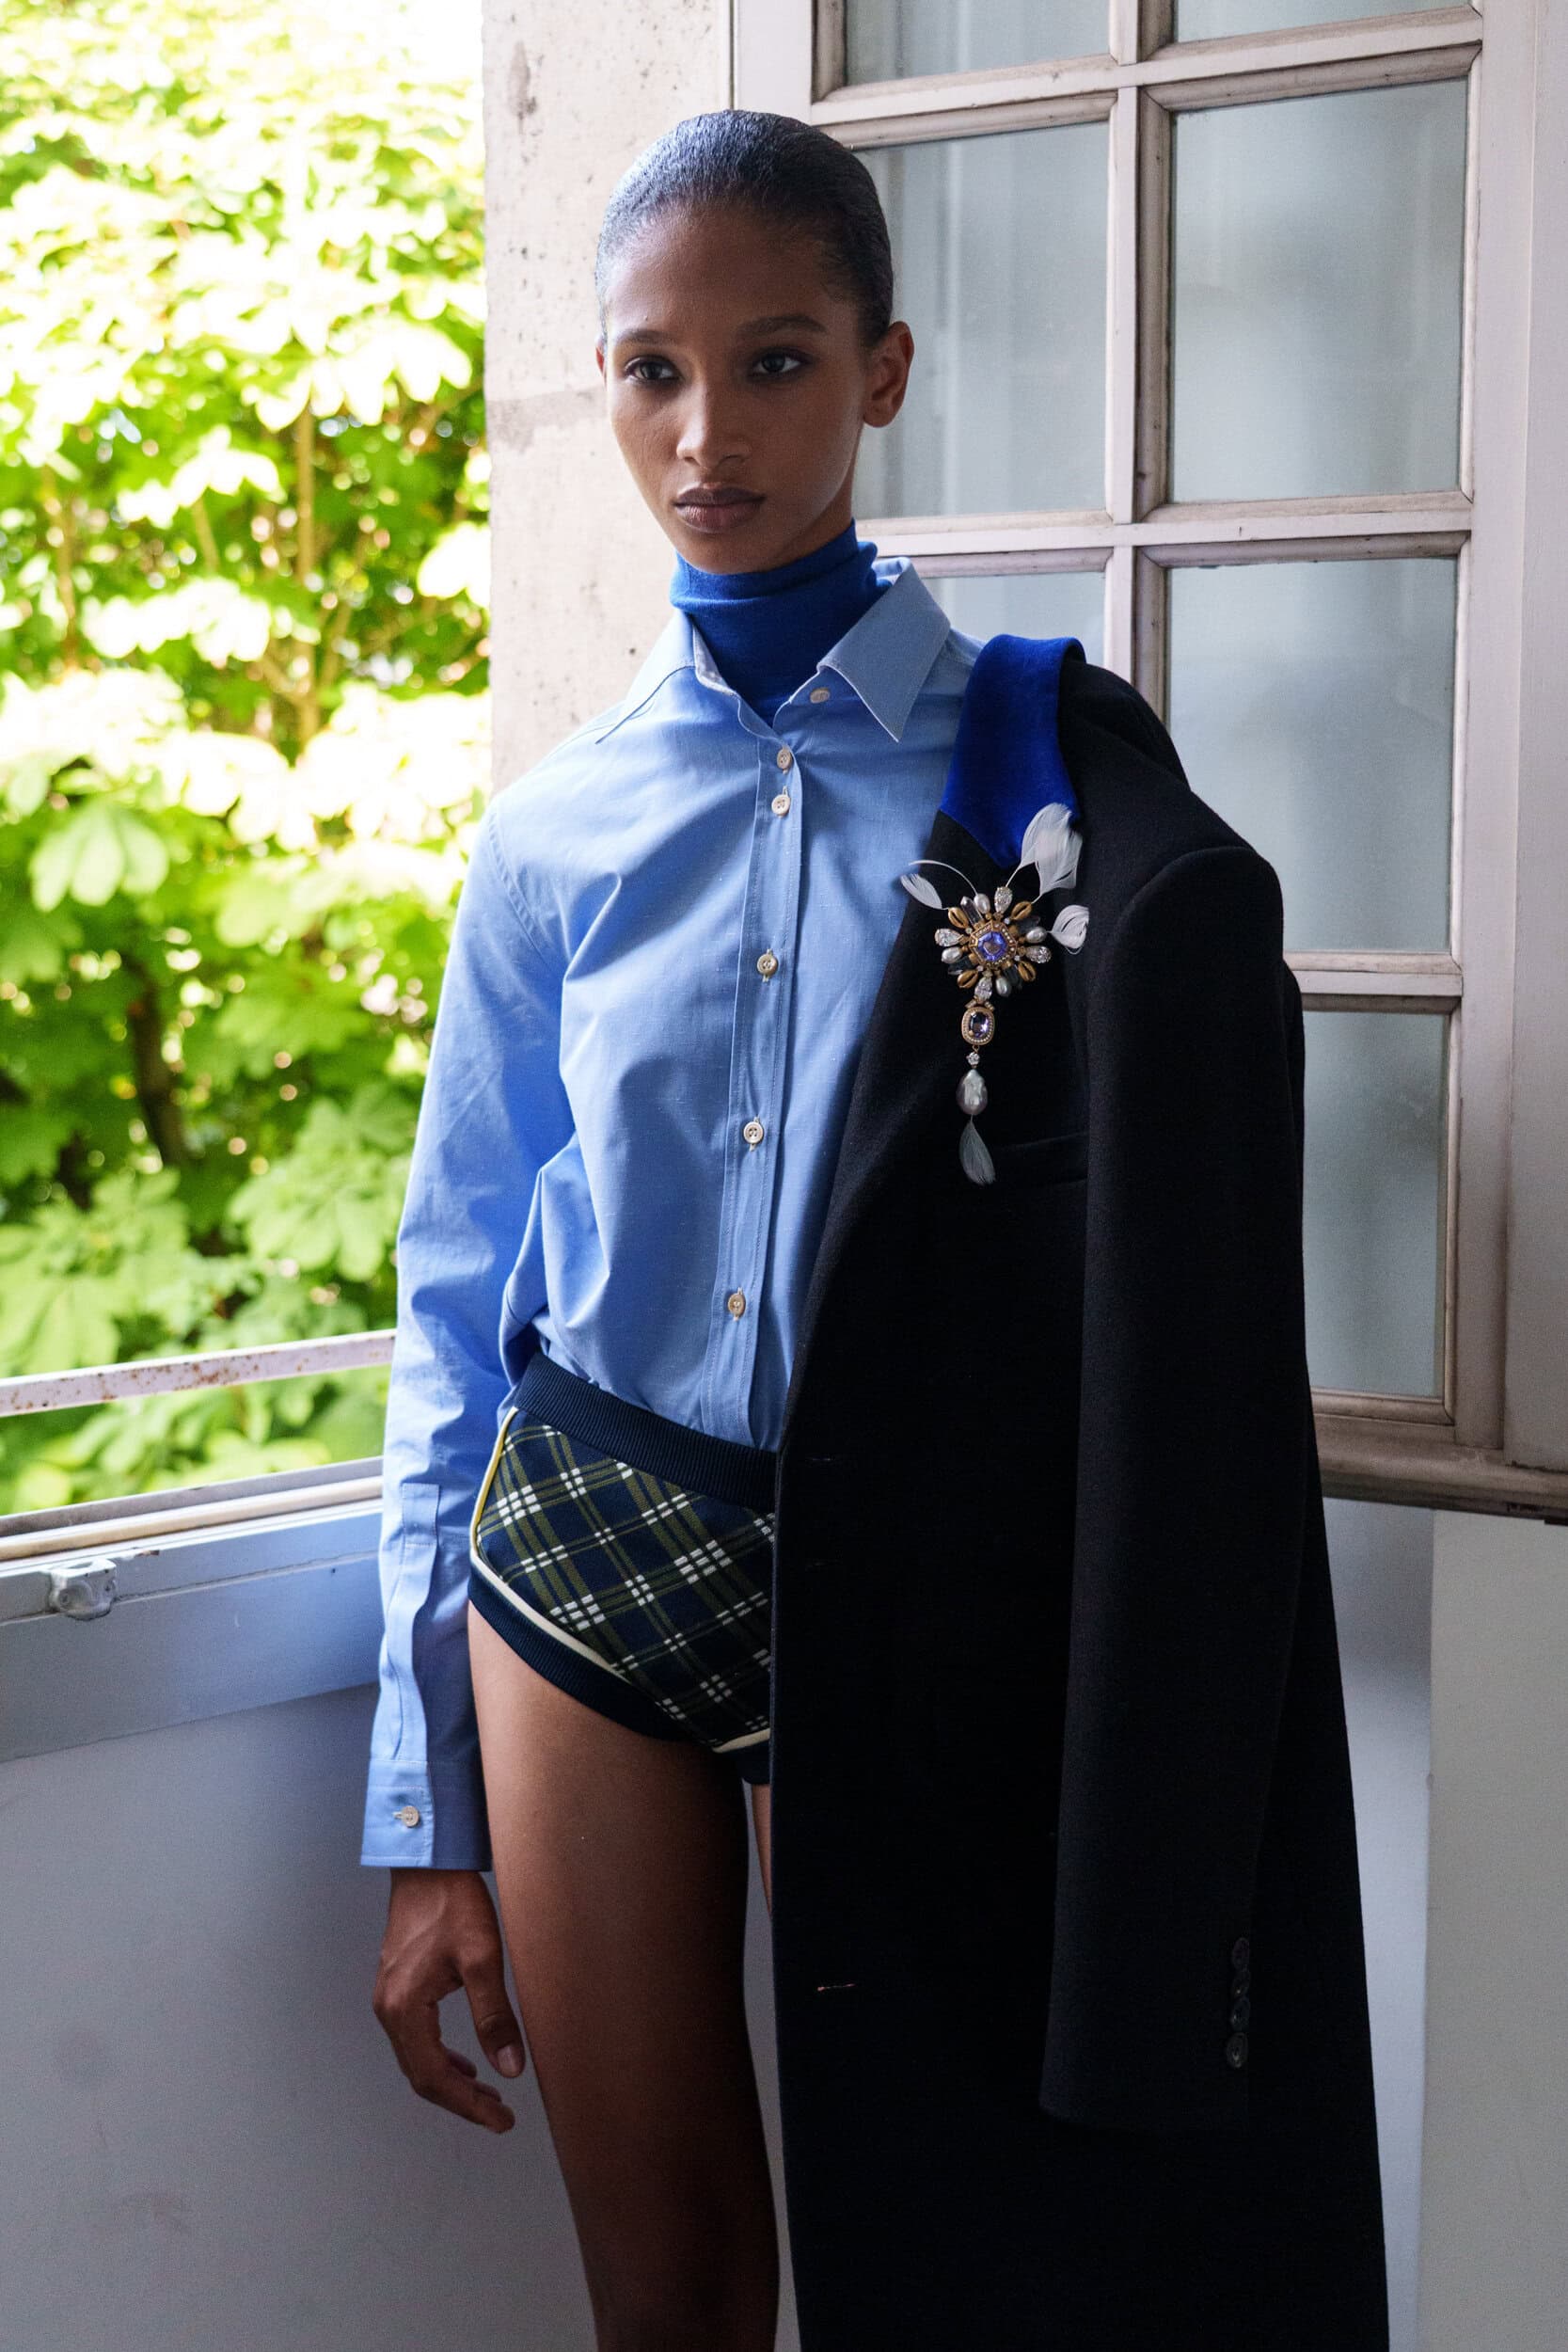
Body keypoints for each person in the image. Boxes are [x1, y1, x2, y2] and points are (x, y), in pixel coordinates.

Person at [364, 109, 1388, 2352]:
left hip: (912, 1583)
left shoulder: (1053, 795)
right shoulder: (549, 840)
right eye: (652, 370)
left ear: (885, 371)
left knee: (954, 2265)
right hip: (590, 1559)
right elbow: (455, 1308)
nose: (706, 433)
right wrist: (428, 1818)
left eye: (777, 361)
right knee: (672, 2292)